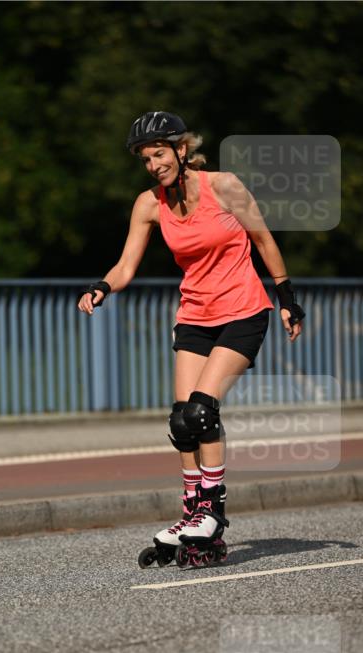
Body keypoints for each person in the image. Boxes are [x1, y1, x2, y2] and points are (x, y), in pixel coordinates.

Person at [78, 111, 305, 567]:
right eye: (145, 159)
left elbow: (262, 239)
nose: (153, 164)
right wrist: (100, 287)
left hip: (243, 311)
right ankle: (193, 519)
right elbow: (126, 266)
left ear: (181, 150)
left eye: (159, 154)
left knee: (203, 410)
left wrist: (286, 296)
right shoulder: (149, 204)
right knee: (182, 420)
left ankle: (212, 514)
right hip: (195, 316)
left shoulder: (225, 187)